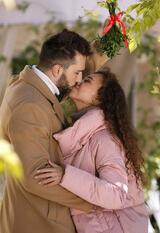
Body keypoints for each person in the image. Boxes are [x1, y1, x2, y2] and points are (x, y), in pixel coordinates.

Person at [0, 27, 108, 233]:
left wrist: (110, 40)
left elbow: (79, 71)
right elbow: (35, 177)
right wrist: (95, 199)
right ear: (57, 70)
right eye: (77, 73)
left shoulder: (33, 86)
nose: (80, 80)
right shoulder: (29, 105)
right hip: (38, 222)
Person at [35, 68, 149, 233]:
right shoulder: (83, 134)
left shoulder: (104, 139)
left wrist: (65, 175)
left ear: (99, 97)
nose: (79, 81)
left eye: (87, 80)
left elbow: (115, 195)